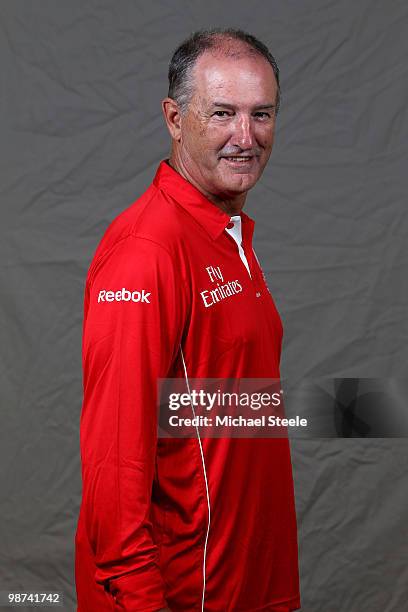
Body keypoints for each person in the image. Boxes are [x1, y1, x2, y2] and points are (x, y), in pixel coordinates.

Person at [75, 28, 301, 612]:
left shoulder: (229, 234)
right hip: (186, 593)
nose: (245, 138)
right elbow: (115, 464)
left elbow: (225, 408)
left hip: (251, 581)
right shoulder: (147, 250)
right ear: (175, 118)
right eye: (222, 113)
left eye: (262, 114)